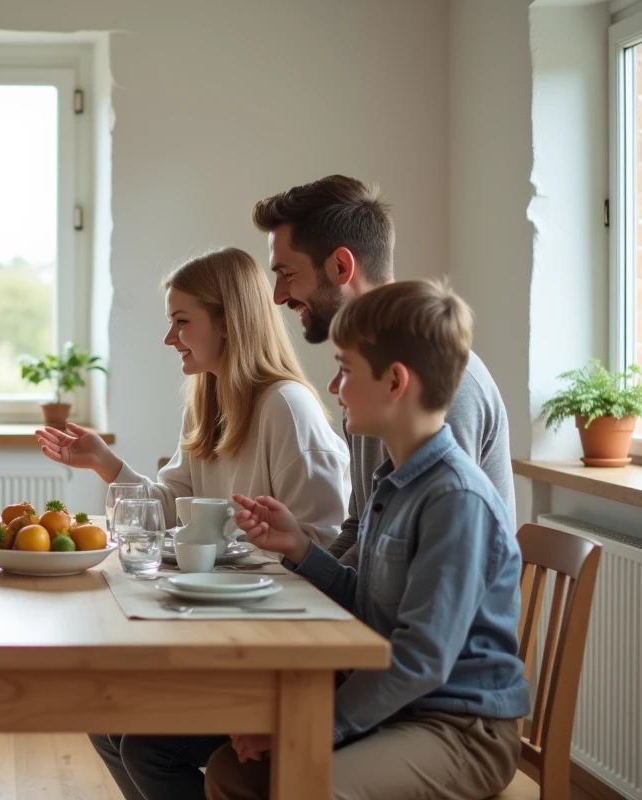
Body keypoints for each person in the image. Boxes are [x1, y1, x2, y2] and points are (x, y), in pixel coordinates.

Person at [36, 246, 349, 800]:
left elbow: (325, 549)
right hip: (224, 625)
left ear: (229, 322)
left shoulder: (287, 407)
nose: (170, 338)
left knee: (146, 748)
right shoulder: (208, 399)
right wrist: (106, 464)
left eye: (182, 322)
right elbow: (169, 508)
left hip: (281, 647)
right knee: (105, 722)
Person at [206, 280, 529, 800]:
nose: (334, 386)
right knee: (232, 770)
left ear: (395, 381)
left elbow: (419, 659)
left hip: (460, 729)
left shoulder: (456, 500)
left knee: (304, 786)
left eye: (345, 370)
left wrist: (311, 728)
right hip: (404, 707)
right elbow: (370, 605)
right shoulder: (394, 484)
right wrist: (301, 549)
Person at [253, 175, 514, 567]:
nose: (277, 296)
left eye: (287, 274)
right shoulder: (365, 385)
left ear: (341, 266)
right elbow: (360, 531)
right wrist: (303, 575)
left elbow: (437, 566)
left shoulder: (439, 386)